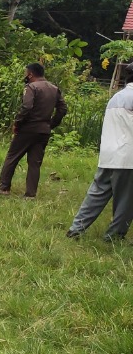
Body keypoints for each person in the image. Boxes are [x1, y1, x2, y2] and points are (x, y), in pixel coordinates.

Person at [67, 74, 133, 241]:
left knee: (96, 194)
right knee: (126, 201)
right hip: (128, 157)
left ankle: (76, 229)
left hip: (108, 155)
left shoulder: (116, 97)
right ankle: (114, 236)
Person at [0, 62, 68, 197]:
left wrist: (17, 123)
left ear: (30, 74)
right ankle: (30, 195)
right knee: (35, 163)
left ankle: (3, 188)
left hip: (28, 129)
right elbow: (63, 108)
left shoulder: (31, 87)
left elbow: (27, 107)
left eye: (26, 73)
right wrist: (52, 124)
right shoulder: (54, 88)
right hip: (44, 130)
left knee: (12, 157)